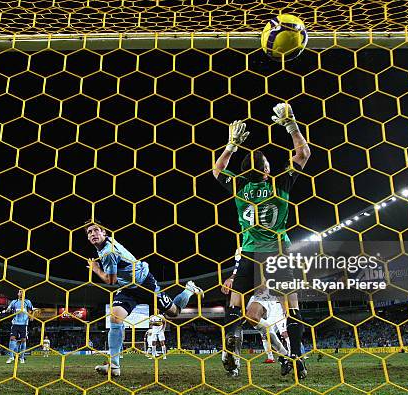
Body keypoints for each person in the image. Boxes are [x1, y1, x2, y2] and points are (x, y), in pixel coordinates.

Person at [215, 103, 311, 380]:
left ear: (244, 172)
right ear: (268, 170)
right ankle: (295, 359)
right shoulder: (279, 183)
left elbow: (218, 169)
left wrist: (232, 145)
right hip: (279, 252)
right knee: (291, 307)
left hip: (248, 253)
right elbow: (303, 153)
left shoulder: (239, 187)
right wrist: (291, 125)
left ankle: (231, 347)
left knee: (235, 305)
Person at [86, 222, 204, 377]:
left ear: (104, 233)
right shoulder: (107, 245)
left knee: (174, 312)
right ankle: (114, 365)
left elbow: (110, 281)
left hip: (145, 284)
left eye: (96, 230)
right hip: (128, 288)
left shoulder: (108, 252)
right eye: (89, 232)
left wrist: (96, 269)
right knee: (115, 317)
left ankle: (189, 290)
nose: (93, 234)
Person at [4, 289, 34, 364]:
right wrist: (7, 310)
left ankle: (22, 357)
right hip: (15, 323)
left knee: (23, 340)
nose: (21, 293)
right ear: (18, 294)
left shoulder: (27, 301)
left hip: (24, 324)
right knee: (12, 338)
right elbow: (9, 309)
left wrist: (31, 316)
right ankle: (11, 357)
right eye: (20, 292)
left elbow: (31, 310)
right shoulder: (14, 302)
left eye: (23, 292)